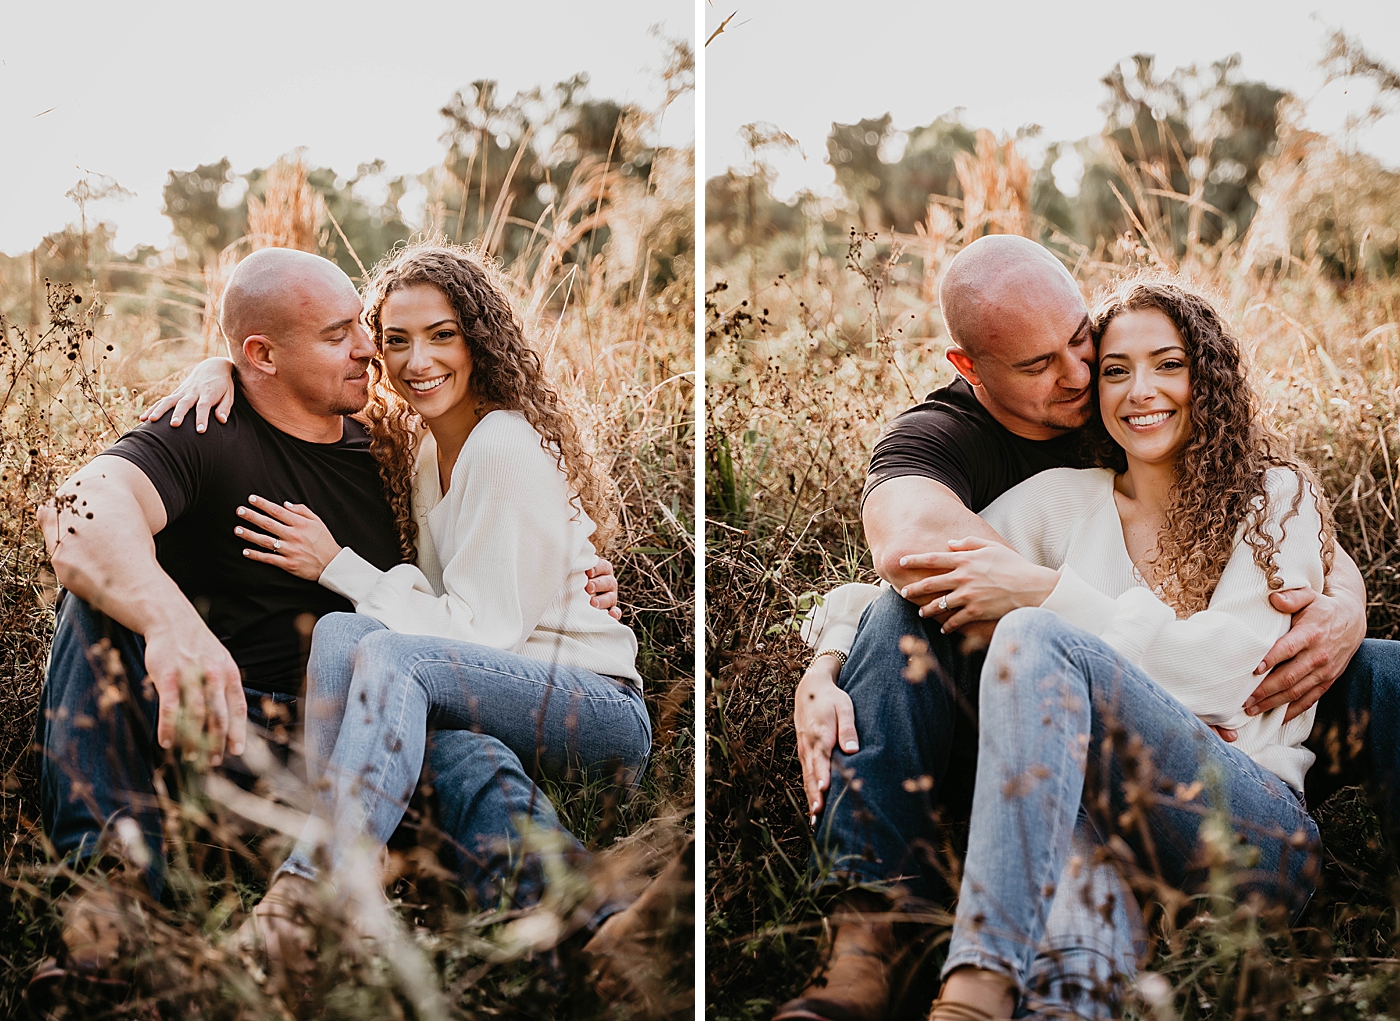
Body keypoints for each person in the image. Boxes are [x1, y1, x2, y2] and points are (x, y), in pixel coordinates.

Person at [774, 236, 1400, 1021]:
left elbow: (1236, 684)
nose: (1124, 386)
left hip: (1249, 822)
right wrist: (825, 656)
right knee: (1072, 932)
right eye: (1114, 369)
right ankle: (929, 956)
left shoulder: (1273, 495)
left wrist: (1049, 597)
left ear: (1209, 373)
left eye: (1166, 363)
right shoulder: (1054, 492)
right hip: (1093, 807)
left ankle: (977, 985)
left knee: (1041, 642)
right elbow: (907, 573)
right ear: (973, 369)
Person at [32, 247, 623, 986]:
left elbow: (493, 560)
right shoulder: (206, 429)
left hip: (363, 742)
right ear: (261, 354)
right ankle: (106, 910)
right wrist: (168, 624)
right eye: (342, 332)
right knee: (93, 604)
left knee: (465, 747)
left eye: (363, 329)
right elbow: (75, 512)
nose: (371, 350)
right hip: (218, 725)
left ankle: (588, 926)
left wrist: (576, 580)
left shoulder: (393, 446)